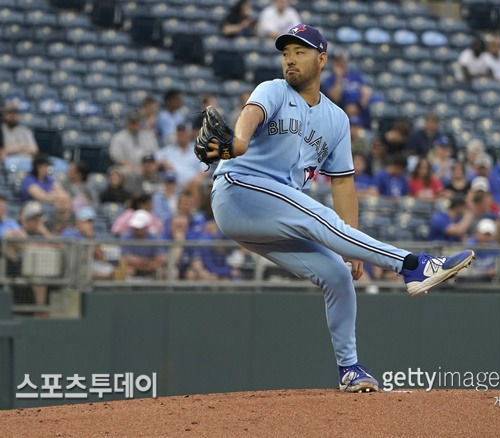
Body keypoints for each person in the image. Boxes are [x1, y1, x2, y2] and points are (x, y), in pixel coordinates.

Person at [198, 24, 474, 392]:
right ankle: (413, 266)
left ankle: (350, 370)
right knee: (318, 216)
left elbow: (343, 182)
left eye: (300, 51)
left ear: (321, 59)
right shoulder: (275, 90)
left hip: (272, 212)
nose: (290, 59)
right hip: (239, 191)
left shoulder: (337, 119)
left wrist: (354, 246)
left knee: (337, 274)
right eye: (285, 53)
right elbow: (251, 114)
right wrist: (239, 141)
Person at [321, 51, 378, 129]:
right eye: (338, 62)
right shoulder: (330, 79)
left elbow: (366, 92)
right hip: (341, 111)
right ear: (334, 63)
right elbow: (335, 97)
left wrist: (358, 107)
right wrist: (339, 77)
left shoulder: (355, 75)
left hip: (360, 110)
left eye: (343, 61)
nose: (341, 64)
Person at [60, 206, 114, 279]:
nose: (89, 224)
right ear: (78, 222)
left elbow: (102, 258)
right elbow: (67, 254)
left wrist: (90, 237)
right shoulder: (68, 233)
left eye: (91, 222)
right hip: (72, 266)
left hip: (88, 265)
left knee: (109, 270)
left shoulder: (92, 235)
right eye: (86, 221)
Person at [156, 122, 209, 189]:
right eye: (179, 133)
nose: (182, 135)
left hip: (191, 188)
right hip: (172, 187)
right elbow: (153, 161)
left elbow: (205, 171)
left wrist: (192, 183)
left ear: (189, 134)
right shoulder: (168, 150)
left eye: (184, 133)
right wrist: (163, 163)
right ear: (176, 134)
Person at [120, 209, 166, 278]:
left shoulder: (155, 238)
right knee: (127, 270)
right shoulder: (126, 237)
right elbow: (127, 258)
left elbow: (160, 259)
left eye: (139, 227)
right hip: (134, 268)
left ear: (146, 227)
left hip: (151, 268)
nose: (136, 229)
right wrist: (148, 262)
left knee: (164, 272)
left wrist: (148, 265)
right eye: (135, 227)